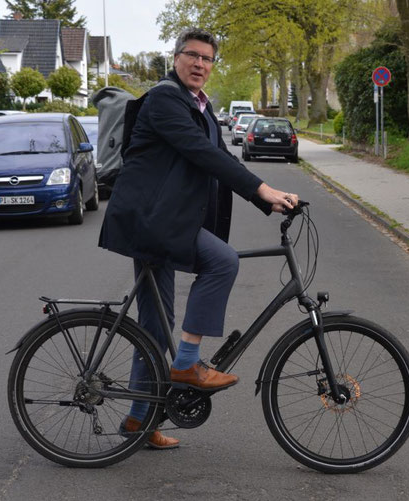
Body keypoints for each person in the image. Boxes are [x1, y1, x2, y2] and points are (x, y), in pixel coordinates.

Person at [98, 28, 299, 449]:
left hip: (163, 221)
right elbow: (200, 153)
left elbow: (222, 156)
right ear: (175, 58)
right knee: (223, 261)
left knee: (153, 328)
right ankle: (187, 363)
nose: (200, 64)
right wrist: (260, 190)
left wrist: (268, 196)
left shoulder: (201, 108)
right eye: (192, 55)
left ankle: (138, 421)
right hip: (153, 222)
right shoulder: (165, 99)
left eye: (208, 58)